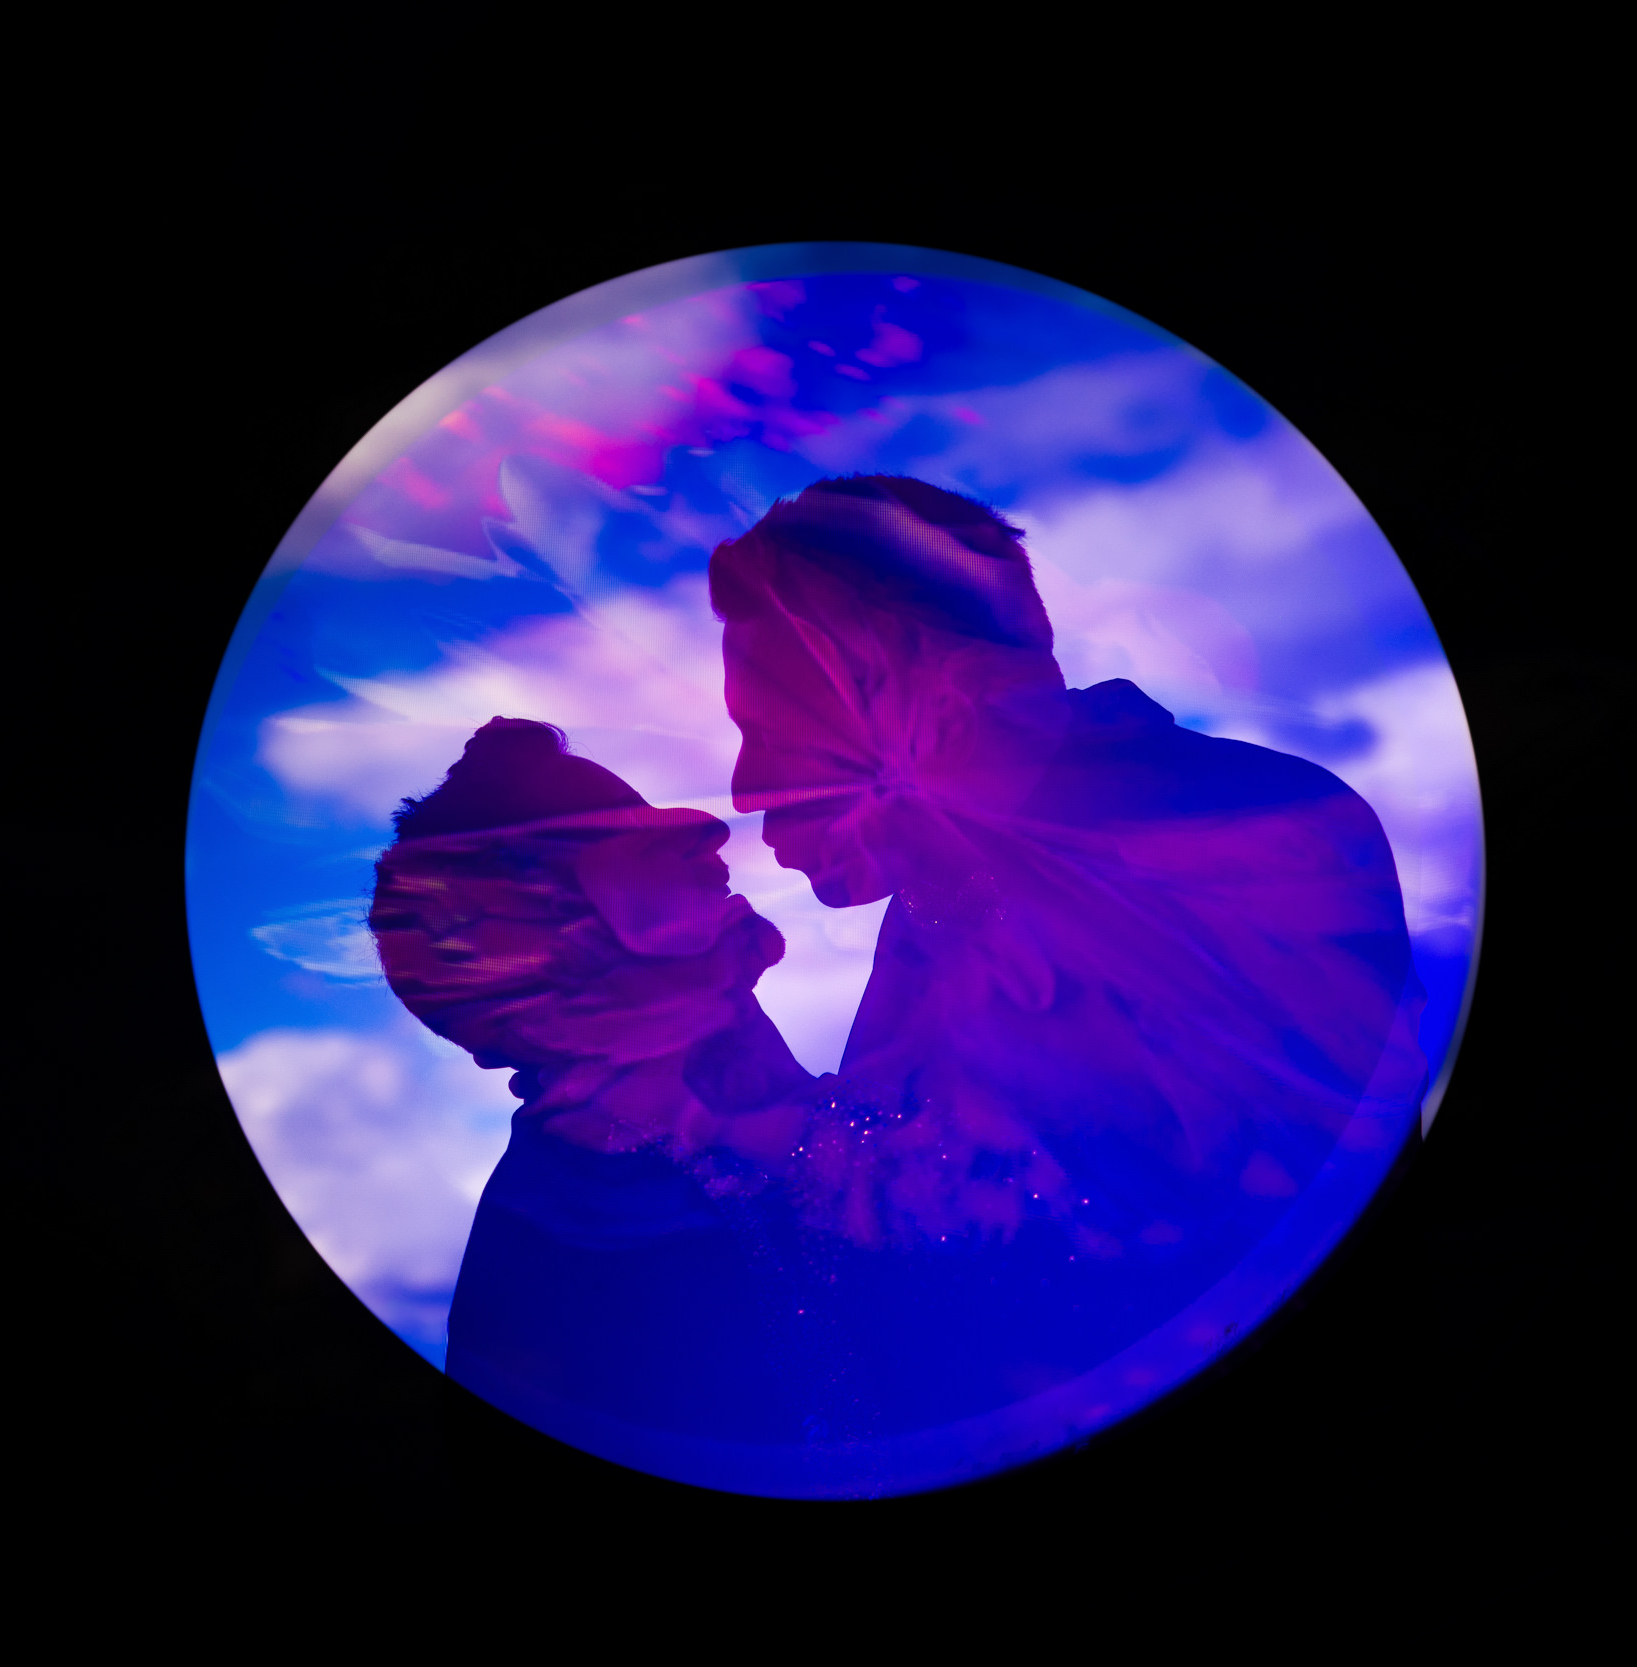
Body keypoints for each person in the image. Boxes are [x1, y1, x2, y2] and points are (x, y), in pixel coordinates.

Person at [711, 475, 1417, 1425]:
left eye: (773, 727)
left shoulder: (1255, 840)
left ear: (941, 696)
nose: (749, 787)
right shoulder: (940, 898)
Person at [367, 718, 841, 1458]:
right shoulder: (556, 1250)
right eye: (640, 848)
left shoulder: (737, 1117)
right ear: (553, 935)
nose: (707, 842)